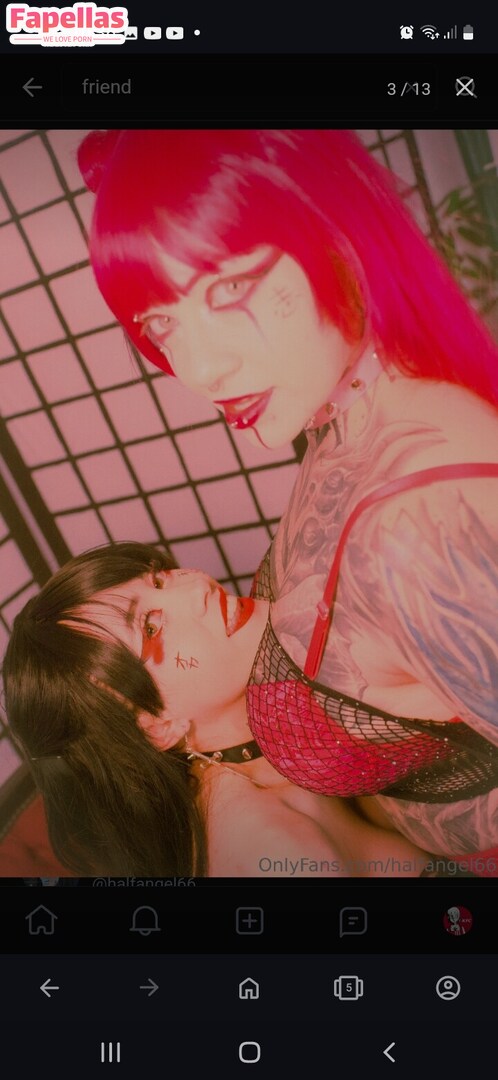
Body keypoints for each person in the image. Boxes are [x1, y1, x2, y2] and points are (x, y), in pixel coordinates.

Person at [76, 130, 498, 861]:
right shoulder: (339, 416)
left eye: (228, 289)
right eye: (161, 323)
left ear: (334, 231)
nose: (199, 370)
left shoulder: (423, 523)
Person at [2, 543, 430, 878]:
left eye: (159, 578)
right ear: (156, 727)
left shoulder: (273, 725)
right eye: (151, 627)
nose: (197, 588)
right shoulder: (271, 848)